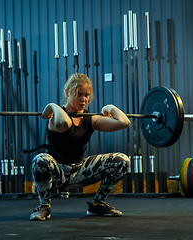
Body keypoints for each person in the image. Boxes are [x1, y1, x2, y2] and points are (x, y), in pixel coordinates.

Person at [30, 73, 131, 221]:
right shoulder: (56, 116)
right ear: (67, 92)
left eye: (86, 95)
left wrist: (110, 107)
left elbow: (124, 122)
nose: (83, 100)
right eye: (79, 94)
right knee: (40, 160)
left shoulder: (91, 119)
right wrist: (52, 105)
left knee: (122, 160)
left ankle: (97, 204)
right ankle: (44, 206)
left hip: (80, 171)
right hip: (58, 174)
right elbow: (65, 123)